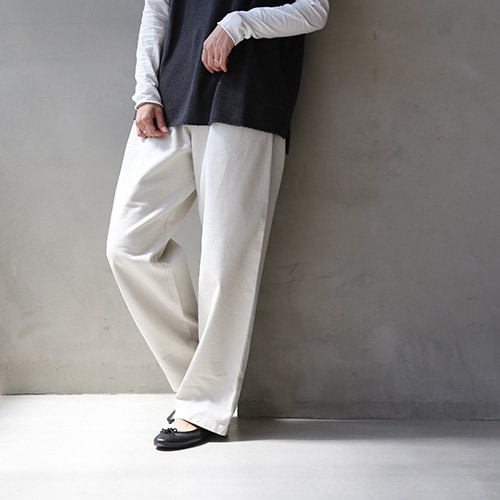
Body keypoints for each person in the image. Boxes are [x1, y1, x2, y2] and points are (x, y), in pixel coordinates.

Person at [106, 0, 329, 450]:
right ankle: (200, 384)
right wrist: (146, 90)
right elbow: (157, 10)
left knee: (226, 264)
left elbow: (314, 9)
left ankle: (204, 404)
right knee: (127, 247)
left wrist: (239, 24)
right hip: (171, 96)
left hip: (248, 96)